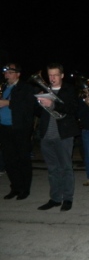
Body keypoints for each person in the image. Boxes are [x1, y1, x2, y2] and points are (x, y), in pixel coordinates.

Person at [35, 63, 80, 211]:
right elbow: (36, 113)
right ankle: (55, 198)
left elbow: (72, 109)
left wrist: (53, 104)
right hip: (46, 135)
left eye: (55, 75)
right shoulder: (44, 90)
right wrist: (39, 103)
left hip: (64, 134)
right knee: (52, 169)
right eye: (50, 75)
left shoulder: (69, 90)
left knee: (66, 168)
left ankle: (67, 199)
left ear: (62, 75)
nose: (52, 78)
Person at [0, 63, 36, 200]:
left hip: (20, 128)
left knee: (23, 160)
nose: (6, 74)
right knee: (9, 161)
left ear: (18, 74)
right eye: (5, 72)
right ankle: (15, 187)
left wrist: (8, 103)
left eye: (10, 71)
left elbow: (29, 106)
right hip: (4, 127)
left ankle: (25, 189)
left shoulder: (26, 87)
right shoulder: (4, 87)